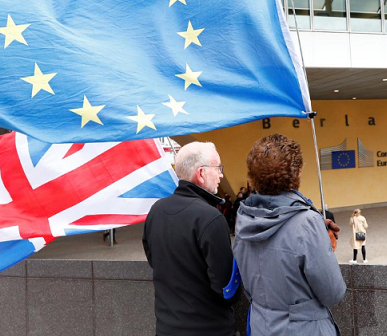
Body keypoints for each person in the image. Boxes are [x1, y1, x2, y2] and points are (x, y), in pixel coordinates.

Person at [234, 134, 346, 336]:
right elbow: (333, 293)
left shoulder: (244, 218)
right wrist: (319, 241)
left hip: (261, 328)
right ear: (297, 173)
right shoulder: (307, 223)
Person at [142, 142, 240, 336]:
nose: (221, 174)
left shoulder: (156, 210)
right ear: (201, 173)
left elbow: (154, 261)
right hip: (209, 329)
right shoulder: (211, 217)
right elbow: (226, 290)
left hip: (166, 328)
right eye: (218, 168)